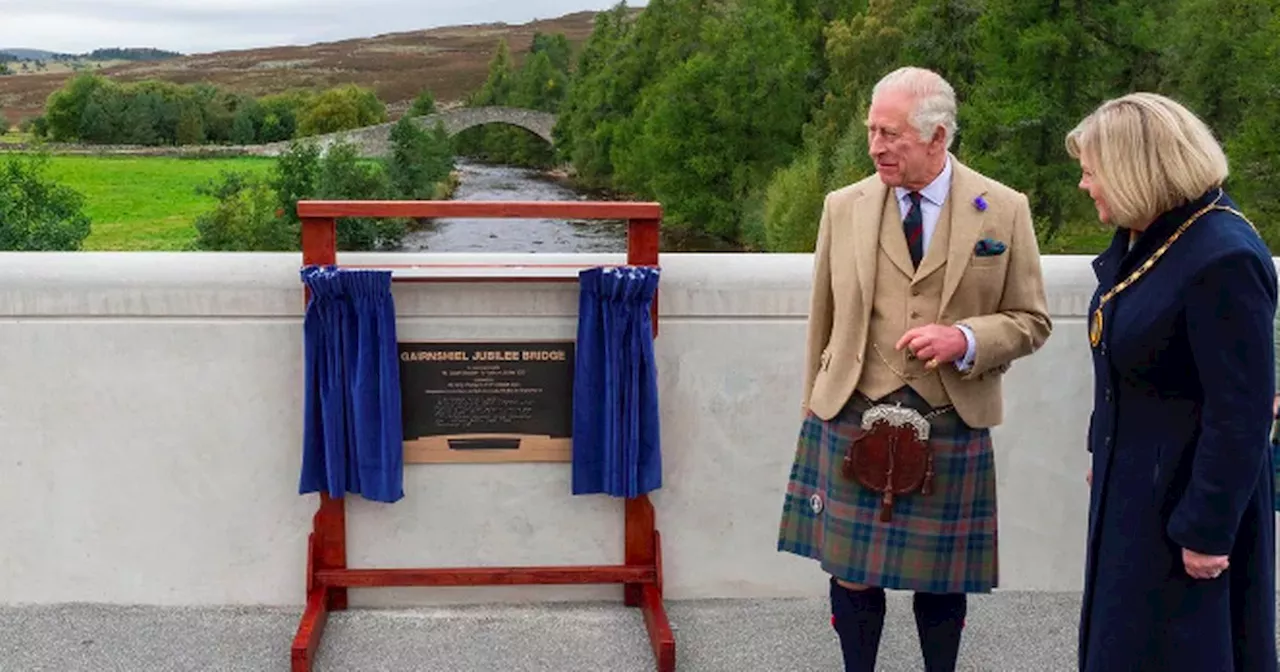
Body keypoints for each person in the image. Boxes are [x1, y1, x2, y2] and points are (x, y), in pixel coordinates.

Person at [776, 66, 1052, 672]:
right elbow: (820, 318)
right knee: (850, 573)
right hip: (851, 406)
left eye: (892, 133)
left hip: (951, 412)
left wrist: (966, 337)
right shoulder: (842, 206)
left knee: (942, 582)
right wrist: (809, 406)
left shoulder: (1002, 209)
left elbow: (1032, 320)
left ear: (938, 137)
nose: (876, 146)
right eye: (872, 130)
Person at [1068, 92, 1277, 672]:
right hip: (1136, 488)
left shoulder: (1223, 257)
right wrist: (1102, 445)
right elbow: (1121, 359)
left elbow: (1242, 412)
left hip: (1185, 506)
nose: (1086, 187)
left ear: (1134, 171)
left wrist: (1207, 530)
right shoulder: (1152, 235)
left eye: (1092, 173)